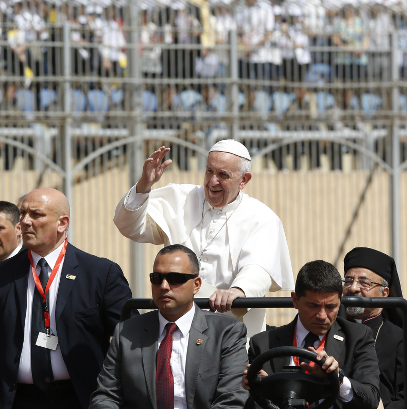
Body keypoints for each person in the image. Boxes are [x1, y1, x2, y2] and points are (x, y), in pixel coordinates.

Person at [114, 140, 294, 337]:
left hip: (230, 326)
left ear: (244, 180)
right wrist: (144, 185)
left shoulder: (261, 217)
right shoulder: (180, 197)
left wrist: (238, 291)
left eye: (223, 175)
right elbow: (129, 227)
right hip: (177, 324)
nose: (212, 181)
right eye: (209, 171)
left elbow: (259, 268)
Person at [0, 188, 132, 409]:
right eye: (22, 213)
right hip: (16, 406)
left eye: (36, 214)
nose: (24, 221)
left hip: (81, 403)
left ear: (62, 223)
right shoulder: (4, 275)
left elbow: (130, 341)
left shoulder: (100, 274)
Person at [88, 244, 249, 409]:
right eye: (157, 278)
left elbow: (231, 401)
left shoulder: (226, 332)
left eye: (174, 278)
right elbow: (104, 397)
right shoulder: (126, 332)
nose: (164, 286)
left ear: (196, 285)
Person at [242, 260, 381, 409]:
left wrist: (337, 378)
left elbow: (370, 400)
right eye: (313, 306)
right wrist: (264, 392)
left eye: (330, 307)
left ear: (340, 300)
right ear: (295, 300)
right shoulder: (263, 343)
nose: (322, 315)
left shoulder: (357, 336)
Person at [343, 247, 407, 409]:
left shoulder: (400, 338)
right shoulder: (327, 328)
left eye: (364, 283)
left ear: (385, 293)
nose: (353, 288)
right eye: (348, 281)